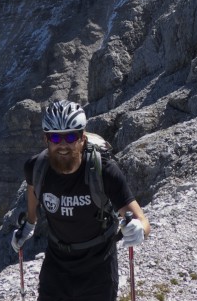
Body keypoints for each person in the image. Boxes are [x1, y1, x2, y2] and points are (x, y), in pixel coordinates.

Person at [11, 99, 150, 301]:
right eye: (56, 138)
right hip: (57, 265)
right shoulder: (36, 168)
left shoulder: (104, 171)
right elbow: (33, 193)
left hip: (99, 266)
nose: (63, 145)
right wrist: (29, 225)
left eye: (70, 136)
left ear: (82, 138)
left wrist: (139, 228)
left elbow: (141, 219)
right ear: (46, 140)